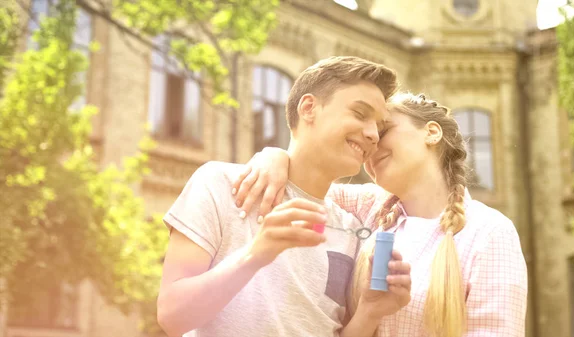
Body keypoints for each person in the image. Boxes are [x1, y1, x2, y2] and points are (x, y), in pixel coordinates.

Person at [232, 92, 529, 337]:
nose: (370, 147)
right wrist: (274, 156)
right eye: (368, 138)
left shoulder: (489, 232)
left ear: (431, 132)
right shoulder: (369, 209)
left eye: (382, 131)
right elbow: (304, 181)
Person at [157, 56, 413, 337]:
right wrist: (256, 254)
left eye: (379, 125)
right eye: (360, 114)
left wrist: (369, 312)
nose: (373, 134)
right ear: (309, 108)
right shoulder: (220, 184)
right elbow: (172, 317)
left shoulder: (353, 232)